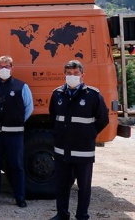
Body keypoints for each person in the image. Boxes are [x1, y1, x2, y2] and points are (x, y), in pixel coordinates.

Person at [48, 60, 109, 220]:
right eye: (68, 73)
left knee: (84, 186)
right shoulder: (57, 94)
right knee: (62, 185)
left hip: (83, 150)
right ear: (64, 75)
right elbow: (53, 117)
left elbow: (103, 119)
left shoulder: (93, 95)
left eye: (76, 73)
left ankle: (82, 215)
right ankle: (62, 214)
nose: (72, 76)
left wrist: (90, 134)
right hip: (62, 149)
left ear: (82, 75)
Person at [0, 55, 33, 208]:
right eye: (1, 66)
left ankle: (20, 198)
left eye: (7, 66)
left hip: (14, 134)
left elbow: (29, 108)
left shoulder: (22, 86)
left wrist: (16, 120)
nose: (4, 69)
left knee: (17, 166)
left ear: (12, 67)